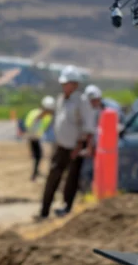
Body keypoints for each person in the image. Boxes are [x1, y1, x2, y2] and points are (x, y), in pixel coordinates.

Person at [38, 66, 95, 220]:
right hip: (61, 145)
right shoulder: (61, 99)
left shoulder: (82, 101)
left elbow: (88, 126)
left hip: (76, 146)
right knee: (53, 176)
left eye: (67, 83)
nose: (64, 86)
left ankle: (66, 208)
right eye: (63, 83)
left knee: (71, 179)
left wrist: (80, 146)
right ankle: (44, 211)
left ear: (75, 84)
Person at [79, 84, 106, 194]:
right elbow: (89, 132)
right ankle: (87, 192)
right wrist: (89, 148)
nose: (94, 102)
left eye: (96, 100)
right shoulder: (87, 112)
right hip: (91, 146)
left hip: (100, 147)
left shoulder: (102, 111)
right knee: (87, 171)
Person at [23, 96, 55, 181]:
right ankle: (34, 174)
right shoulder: (36, 114)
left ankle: (36, 172)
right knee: (38, 155)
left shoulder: (46, 116)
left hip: (36, 137)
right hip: (33, 137)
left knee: (38, 155)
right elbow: (29, 126)